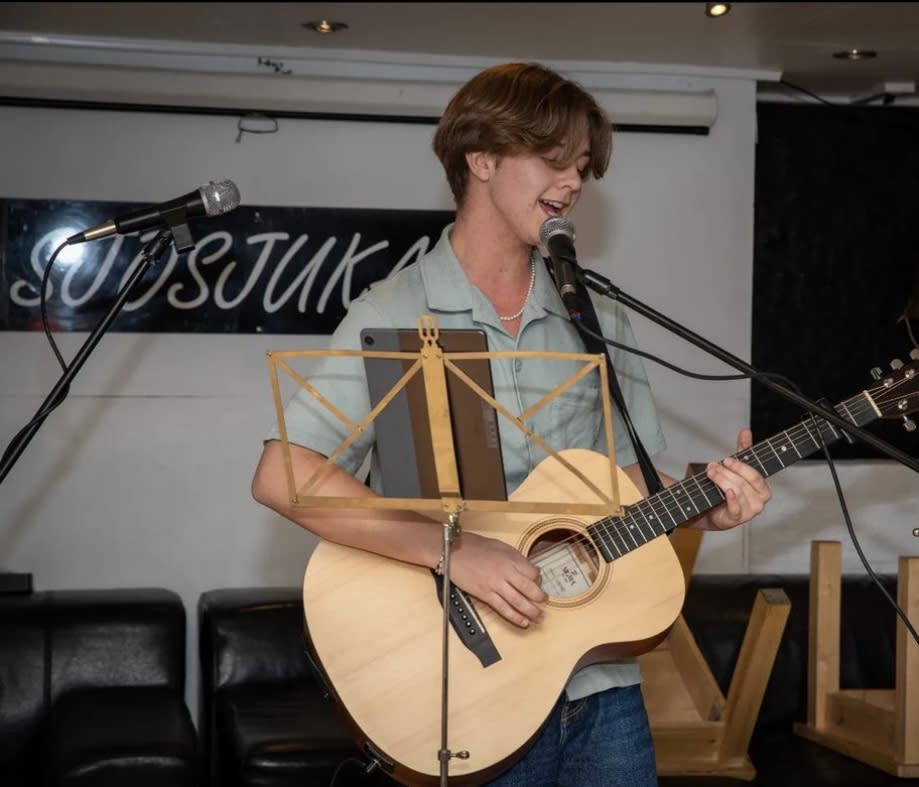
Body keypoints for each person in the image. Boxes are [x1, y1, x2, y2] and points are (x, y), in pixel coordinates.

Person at [251, 61, 772, 786]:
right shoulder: (395, 312)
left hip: (601, 680)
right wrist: (452, 552)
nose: (573, 182)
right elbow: (283, 474)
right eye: (554, 158)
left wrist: (706, 506)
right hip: (469, 688)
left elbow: (630, 482)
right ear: (482, 158)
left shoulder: (595, 315)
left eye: (581, 166)